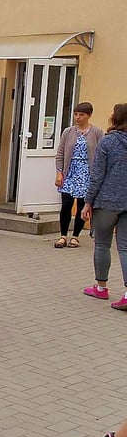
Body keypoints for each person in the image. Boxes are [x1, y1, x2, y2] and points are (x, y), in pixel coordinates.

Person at [81, 103, 127, 308]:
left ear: (115, 119)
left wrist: (88, 201)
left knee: (102, 244)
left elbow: (97, 174)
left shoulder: (107, 142)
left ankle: (101, 288)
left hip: (106, 201)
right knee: (125, 248)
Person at [54, 103, 103, 249]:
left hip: (87, 173)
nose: (78, 117)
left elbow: (101, 155)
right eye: (76, 114)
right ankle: (63, 235)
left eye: (81, 115)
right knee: (66, 204)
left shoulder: (97, 132)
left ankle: (75, 236)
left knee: (82, 205)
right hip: (70, 172)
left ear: (89, 115)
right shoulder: (68, 132)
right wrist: (59, 172)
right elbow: (60, 153)